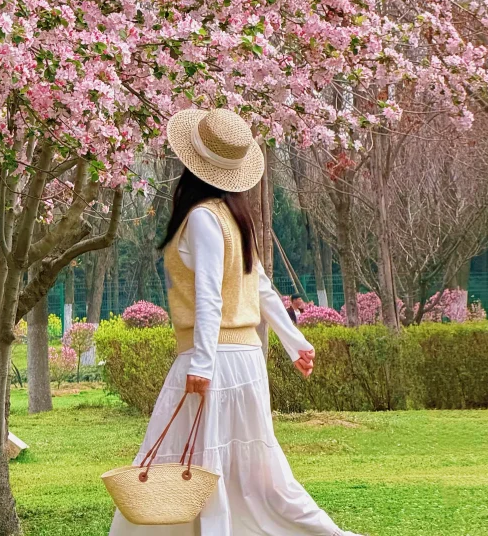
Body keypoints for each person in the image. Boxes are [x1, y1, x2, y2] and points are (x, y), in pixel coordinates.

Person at [108, 109, 362, 536]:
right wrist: (295, 342)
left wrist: (201, 363)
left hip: (214, 358)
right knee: (251, 466)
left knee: (197, 457)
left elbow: (210, 296)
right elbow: (261, 286)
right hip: (244, 360)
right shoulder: (233, 218)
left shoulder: (203, 218)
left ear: (192, 163)